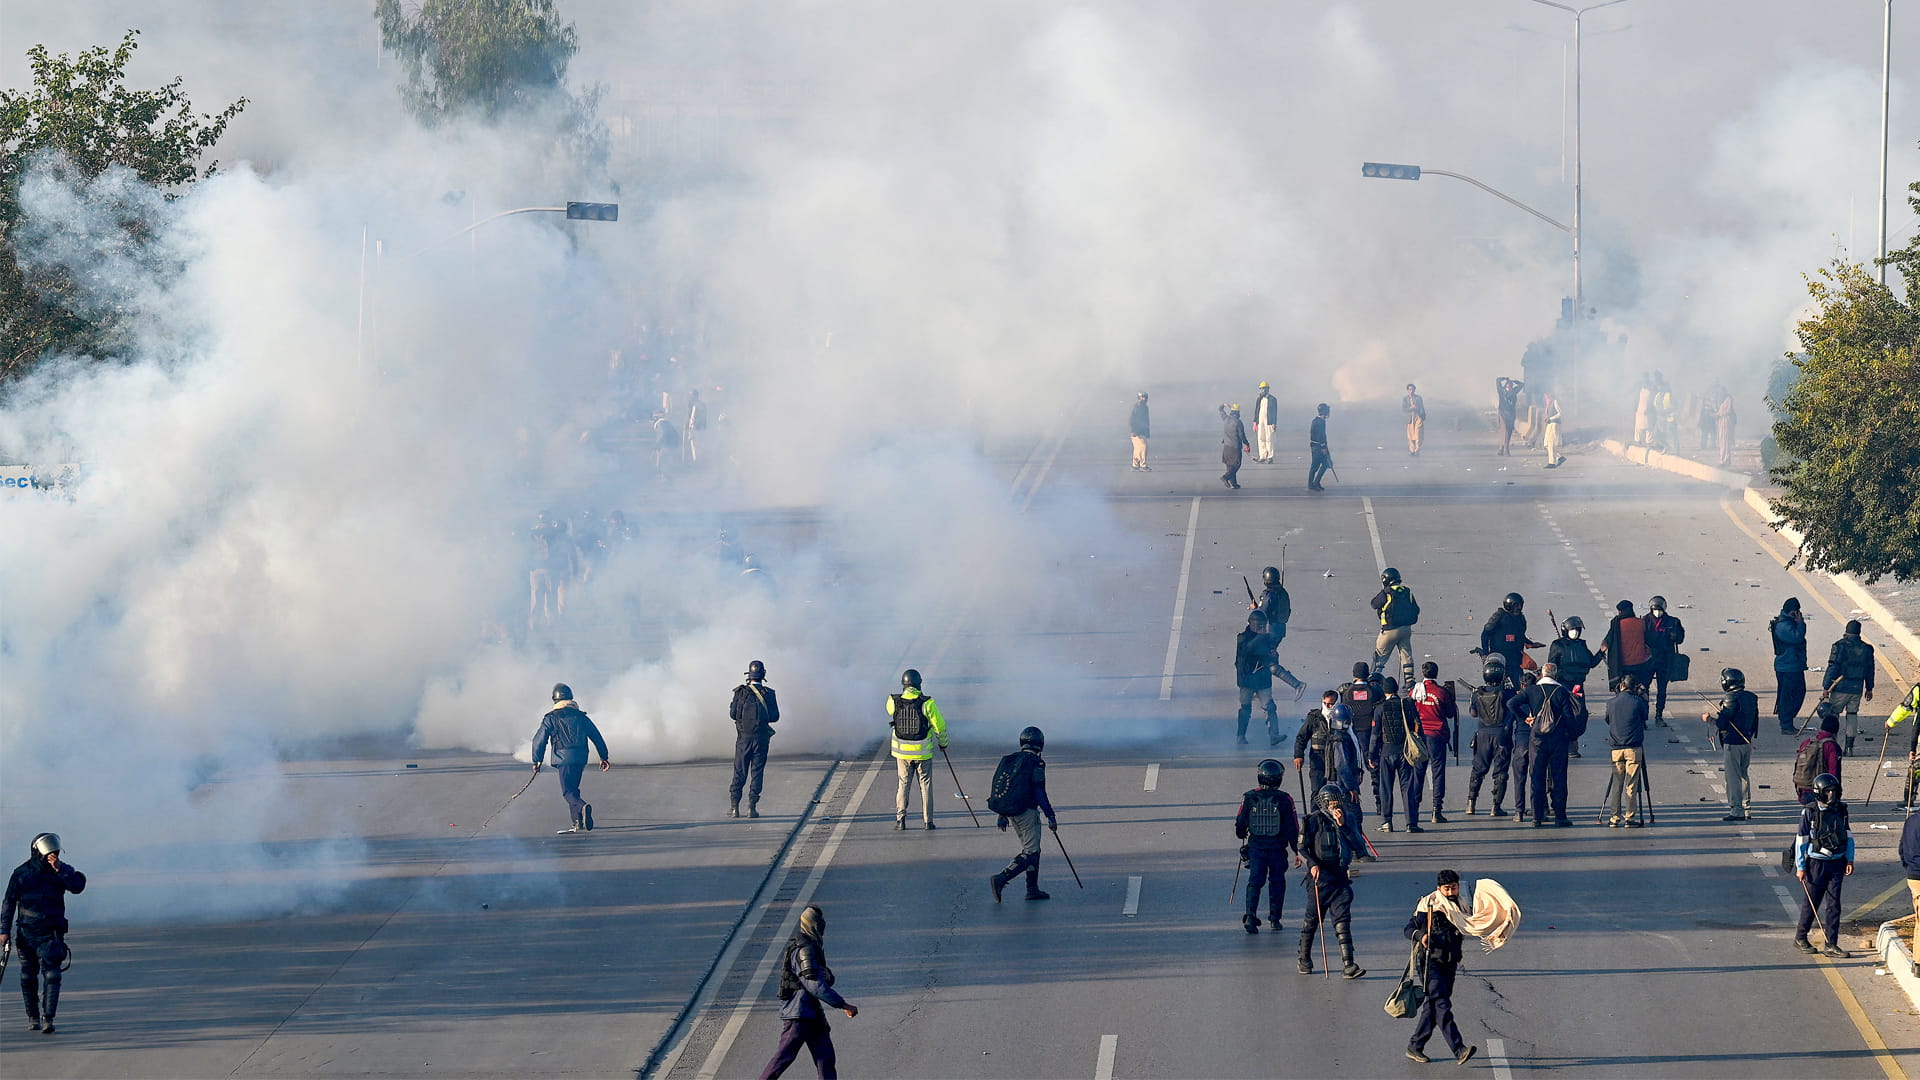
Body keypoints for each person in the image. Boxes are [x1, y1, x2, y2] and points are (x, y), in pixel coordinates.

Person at [759, 905, 857, 1079]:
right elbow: (814, 985)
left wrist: (828, 975)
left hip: (812, 1013)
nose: (823, 929)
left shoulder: (811, 947)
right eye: (820, 924)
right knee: (783, 1057)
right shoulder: (805, 949)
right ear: (814, 925)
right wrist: (842, 1004)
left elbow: (823, 976)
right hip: (798, 1014)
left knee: (825, 1058)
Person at [2, 833, 86, 1034]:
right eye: (48, 851)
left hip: (51, 933)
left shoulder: (61, 871)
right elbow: (9, 902)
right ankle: (32, 1016)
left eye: (54, 851)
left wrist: (60, 869)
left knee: (52, 975)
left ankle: (48, 1018)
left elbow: (77, 886)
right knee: (28, 976)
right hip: (26, 933)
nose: (52, 855)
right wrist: (3, 930)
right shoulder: (21, 873)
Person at [1404, 870, 1479, 1066]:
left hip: (1450, 961)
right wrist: (1421, 936)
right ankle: (1459, 1049)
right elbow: (1409, 929)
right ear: (1439, 889)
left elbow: (1474, 923)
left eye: (1454, 887)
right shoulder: (1429, 905)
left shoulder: (1462, 904)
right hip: (1430, 963)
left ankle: (1415, 1046)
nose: (1451, 892)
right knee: (1442, 1005)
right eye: (1447, 889)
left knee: (1433, 1006)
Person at [1299, 784, 1365, 978]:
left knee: (1342, 921)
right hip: (1319, 881)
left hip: (1340, 878)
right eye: (1331, 803)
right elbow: (1302, 848)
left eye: (1337, 802)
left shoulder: (1348, 818)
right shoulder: (1312, 821)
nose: (1335, 806)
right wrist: (1312, 864)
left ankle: (1349, 964)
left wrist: (1343, 825)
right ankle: (1304, 958)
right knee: (1312, 922)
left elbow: (1359, 846)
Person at [988, 727, 1058, 902]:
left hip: (1012, 811)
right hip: (1026, 812)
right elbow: (1039, 791)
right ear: (1040, 744)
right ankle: (1001, 878)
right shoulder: (1036, 763)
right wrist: (1050, 815)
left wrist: (1002, 814)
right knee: (1031, 852)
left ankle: (1032, 889)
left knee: (1033, 849)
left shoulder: (1010, 760)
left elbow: (1004, 786)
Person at [532, 683, 611, 833]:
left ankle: (582, 806)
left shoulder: (551, 718)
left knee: (568, 792)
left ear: (555, 700)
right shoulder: (581, 717)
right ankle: (577, 821)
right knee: (573, 789)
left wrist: (537, 760)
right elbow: (596, 736)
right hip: (580, 758)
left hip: (563, 759)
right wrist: (604, 756)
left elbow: (539, 740)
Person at [1234, 759, 1301, 934]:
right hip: (1278, 849)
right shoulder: (1285, 799)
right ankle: (1275, 919)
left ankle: (1250, 916)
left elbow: (1240, 824)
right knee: (1277, 882)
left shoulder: (1249, 797)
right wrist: (1297, 851)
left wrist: (1242, 834)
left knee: (1255, 881)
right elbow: (1293, 828)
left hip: (1256, 848)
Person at [1792, 774, 1853, 958]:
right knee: (1812, 902)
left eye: (1834, 791)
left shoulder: (1841, 810)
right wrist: (1800, 867)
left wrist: (1849, 859)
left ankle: (1831, 944)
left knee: (1834, 905)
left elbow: (1848, 836)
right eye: (1828, 792)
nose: (1831, 795)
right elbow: (1801, 840)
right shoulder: (1809, 812)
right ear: (1819, 792)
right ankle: (1800, 937)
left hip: (1837, 862)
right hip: (1816, 864)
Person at [888, 669, 950, 830]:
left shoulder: (893, 701)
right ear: (919, 684)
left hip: (902, 754)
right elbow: (940, 727)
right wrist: (943, 744)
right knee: (926, 786)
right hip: (923, 754)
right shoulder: (927, 703)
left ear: (903, 684)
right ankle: (928, 822)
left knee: (903, 785)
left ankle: (900, 821)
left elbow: (889, 710)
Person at [1702, 667, 1761, 821]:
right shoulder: (1751, 697)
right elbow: (1755, 720)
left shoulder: (1730, 698)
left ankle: (1736, 810)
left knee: (1733, 777)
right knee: (1743, 775)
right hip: (1747, 742)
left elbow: (1722, 723)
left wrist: (1709, 720)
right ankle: (1746, 808)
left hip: (1733, 743)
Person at [1524, 663, 1577, 828]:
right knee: (1558, 777)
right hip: (1557, 739)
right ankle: (1560, 816)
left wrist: (1527, 719)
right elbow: (1569, 717)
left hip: (1537, 740)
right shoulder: (1561, 691)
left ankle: (1537, 817)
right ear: (1555, 674)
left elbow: (1512, 703)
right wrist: (1570, 735)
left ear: (1541, 674)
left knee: (1536, 777)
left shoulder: (1532, 690)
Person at [1370, 677, 1423, 834]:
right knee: (1407, 788)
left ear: (1384, 691)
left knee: (1386, 788)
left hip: (1386, 753)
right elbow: (1418, 724)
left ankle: (1387, 822)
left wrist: (1371, 755)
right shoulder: (1406, 704)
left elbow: (1375, 735)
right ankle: (1411, 823)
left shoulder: (1380, 708)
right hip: (1405, 752)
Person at [730, 660, 781, 819]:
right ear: (763, 675)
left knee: (739, 772)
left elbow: (733, 714)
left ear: (749, 675)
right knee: (757, 773)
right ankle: (751, 808)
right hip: (761, 740)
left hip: (743, 740)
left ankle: (734, 808)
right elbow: (775, 717)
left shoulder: (740, 692)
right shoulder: (769, 693)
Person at [1465, 657, 1515, 818]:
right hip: (1501, 735)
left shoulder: (1477, 693)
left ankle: (1471, 803)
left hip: (1483, 735)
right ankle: (1495, 806)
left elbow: (1473, 713)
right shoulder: (1507, 693)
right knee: (1501, 771)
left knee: (1478, 769)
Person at [1409, 662, 1457, 823]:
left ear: (1423, 673)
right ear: (1436, 673)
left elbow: (1409, 710)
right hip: (1437, 736)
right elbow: (1450, 714)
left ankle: (1414, 808)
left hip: (1420, 736)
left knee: (1418, 772)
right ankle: (1437, 809)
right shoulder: (1441, 692)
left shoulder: (1415, 691)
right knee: (1438, 772)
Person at [1821, 620, 1877, 756]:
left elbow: (1833, 666)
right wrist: (1869, 688)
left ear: (1846, 631)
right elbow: (1870, 670)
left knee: (1833, 715)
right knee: (1852, 715)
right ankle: (1849, 748)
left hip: (1840, 687)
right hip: (1857, 688)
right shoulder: (1867, 649)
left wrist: (1826, 687)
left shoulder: (1840, 646)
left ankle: (1831, 746)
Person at [1250, 569, 1305, 699]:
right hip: (1279, 630)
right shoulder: (1283, 593)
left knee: (1269, 663)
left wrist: (1255, 609)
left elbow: (1262, 614)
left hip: (1269, 632)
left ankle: (1297, 684)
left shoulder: (1268, 595)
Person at [1338, 662, 1387, 801]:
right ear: (1367, 674)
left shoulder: (1346, 692)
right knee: (1374, 768)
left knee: (1350, 768)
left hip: (1350, 734)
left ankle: (1351, 800)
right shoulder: (1375, 690)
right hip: (1370, 734)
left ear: (1354, 675)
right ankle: (1380, 801)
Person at [1604, 679, 1649, 827]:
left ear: (1621, 686)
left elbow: (1608, 720)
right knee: (1631, 784)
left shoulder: (1611, 703)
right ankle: (1629, 817)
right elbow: (1645, 717)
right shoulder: (1638, 702)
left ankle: (1614, 817)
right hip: (1633, 748)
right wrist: (1644, 699)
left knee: (1617, 784)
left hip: (1616, 748)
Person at [1237, 612, 1285, 747]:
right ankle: (1240, 736)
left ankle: (1274, 735)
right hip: (1246, 680)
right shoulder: (1243, 638)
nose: (1263, 628)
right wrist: (1262, 637)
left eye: (1264, 626)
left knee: (1270, 707)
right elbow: (1247, 650)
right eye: (1260, 626)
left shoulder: (1266, 639)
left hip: (1263, 679)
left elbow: (1272, 659)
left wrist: (1274, 655)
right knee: (1245, 709)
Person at [1295, 690, 1357, 793]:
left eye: (1331, 704)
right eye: (1325, 703)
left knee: (1339, 792)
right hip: (1318, 760)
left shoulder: (1342, 717)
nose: (1328, 706)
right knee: (1316, 791)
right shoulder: (1314, 718)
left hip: (1336, 759)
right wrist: (1298, 755)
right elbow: (1301, 737)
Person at [1370, 568, 1420, 691]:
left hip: (1389, 630)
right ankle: (1409, 681)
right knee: (1406, 655)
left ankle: (1373, 680)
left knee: (1380, 657)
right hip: (1406, 629)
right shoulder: (1407, 591)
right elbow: (1416, 609)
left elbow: (1374, 604)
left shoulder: (1386, 593)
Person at [1642, 598, 1685, 727]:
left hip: (1665, 660)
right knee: (1643, 688)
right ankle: (1643, 717)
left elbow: (1680, 639)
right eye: (1655, 610)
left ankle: (1659, 715)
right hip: (1648, 660)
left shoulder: (1673, 622)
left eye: (1659, 610)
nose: (1657, 612)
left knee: (1662, 689)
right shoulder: (1644, 621)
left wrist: (1675, 636)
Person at [1770, 598, 1810, 735]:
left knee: (1798, 693)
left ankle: (1787, 721)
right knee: (1789, 696)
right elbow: (1797, 638)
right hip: (1788, 666)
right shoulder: (1783, 625)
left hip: (1794, 665)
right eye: (1797, 611)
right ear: (1793, 611)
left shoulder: (1788, 623)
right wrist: (1800, 623)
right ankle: (1786, 724)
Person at [1479, 592, 1541, 677]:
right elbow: (1485, 634)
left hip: (1515, 659)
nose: (1519, 608)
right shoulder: (1499, 616)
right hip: (1499, 659)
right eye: (1516, 605)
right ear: (1509, 606)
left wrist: (1530, 644)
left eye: (1520, 605)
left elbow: (1520, 635)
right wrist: (1485, 653)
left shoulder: (1521, 619)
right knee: (1496, 681)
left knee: (1520, 683)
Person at [1506, 670, 1540, 823]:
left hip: (1521, 743)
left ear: (1522, 685)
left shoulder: (1517, 702)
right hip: (1536, 742)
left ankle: (1519, 811)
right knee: (1537, 778)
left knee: (1519, 779)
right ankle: (1537, 810)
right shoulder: (1538, 700)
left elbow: (1508, 723)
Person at [1794, 706, 1843, 805]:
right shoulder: (1831, 746)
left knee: (1808, 813)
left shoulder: (1807, 742)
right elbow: (1834, 771)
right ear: (1835, 731)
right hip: (1822, 792)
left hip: (1803, 789)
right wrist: (1836, 793)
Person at [1603, 600, 1654, 693]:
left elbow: (1606, 643)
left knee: (1623, 690)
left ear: (1620, 611)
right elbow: (1649, 641)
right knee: (1643, 689)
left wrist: (1600, 654)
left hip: (1623, 665)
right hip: (1640, 664)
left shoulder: (1617, 624)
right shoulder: (1641, 623)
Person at [1902, 807, 1920, 972]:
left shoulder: (1911, 821)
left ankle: (1918, 962)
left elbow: (1902, 848)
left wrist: (1908, 866)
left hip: (1913, 875)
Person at [1220, 403, 1250, 490]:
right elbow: (1242, 435)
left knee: (1230, 465)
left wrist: (1223, 405)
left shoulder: (1225, 418)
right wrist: (1247, 444)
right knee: (1237, 464)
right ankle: (1225, 477)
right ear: (1238, 412)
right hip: (1235, 447)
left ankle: (1233, 483)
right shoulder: (1238, 422)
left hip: (1226, 447)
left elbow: (1220, 410)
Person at [1308, 403, 1334, 491]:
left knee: (1323, 464)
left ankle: (1315, 482)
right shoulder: (1319, 422)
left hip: (1318, 446)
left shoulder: (1318, 420)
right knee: (1316, 465)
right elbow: (1320, 435)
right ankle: (1312, 484)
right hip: (1317, 447)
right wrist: (1323, 447)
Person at [1495, 377, 1524, 456]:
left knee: (1509, 431)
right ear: (1505, 386)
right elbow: (1497, 380)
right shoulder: (1501, 391)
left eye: (1510, 386)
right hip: (1502, 413)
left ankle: (1501, 448)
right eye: (1508, 386)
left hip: (1511, 415)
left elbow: (1522, 384)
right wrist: (1504, 378)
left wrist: (1515, 381)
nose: (1509, 388)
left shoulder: (1514, 391)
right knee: (1504, 431)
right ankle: (1506, 449)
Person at [1253, 381, 1278, 463]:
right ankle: (1262, 456)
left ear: (1267, 389)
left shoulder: (1272, 399)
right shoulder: (1259, 399)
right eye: (1260, 389)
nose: (1261, 390)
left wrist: (1274, 423)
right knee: (1261, 438)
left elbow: (1274, 412)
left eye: (1263, 389)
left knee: (1269, 439)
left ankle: (1270, 456)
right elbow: (1256, 411)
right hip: (1260, 422)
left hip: (1269, 422)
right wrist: (1255, 422)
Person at [1129, 392, 1152, 471]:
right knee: (1143, 447)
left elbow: (1146, 421)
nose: (1144, 399)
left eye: (1145, 397)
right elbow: (1132, 420)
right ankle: (1143, 465)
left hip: (1142, 431)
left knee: (1137, 448)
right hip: (1137, 431)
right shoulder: (1137, 407)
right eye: (1142, 397)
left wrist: (1147, 432)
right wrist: (1134, 431)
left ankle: (1135, 465)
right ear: (1138, 398)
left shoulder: (1144, 407)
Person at [1541, 392, 1564, 468]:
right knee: (1547, 444)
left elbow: (1560, 413)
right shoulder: (1548, 404)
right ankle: (1559, 457)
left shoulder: (1555, 402)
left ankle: (1552, 463)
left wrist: (1551, 418)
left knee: (1551, 443)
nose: (1545, 397)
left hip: (1555, 424)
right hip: (1550, 424)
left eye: (1546, 395)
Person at [1714, 388, 1736, 468]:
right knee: (1722, 442)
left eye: (1720, 392)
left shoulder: (1728, 399)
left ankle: (1724, 461)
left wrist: (1718, 414)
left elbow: (1728, 411)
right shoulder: (1722, 400)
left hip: (1726, 423)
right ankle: (1724, 460)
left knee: (1725, 442)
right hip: (1721, 423)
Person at [1403, 383, 1426, 456]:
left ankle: (1417, 450)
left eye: (1412, 389)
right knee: (1410, 436)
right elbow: (1404, 409)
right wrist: (1411, 408)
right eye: (1410, 389)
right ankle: (1412, 450)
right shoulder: (1405, 399)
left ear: (1414, 390)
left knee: (1418, 434)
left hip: (1418, 417)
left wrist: (1421, 415)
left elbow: (1421, 407)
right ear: (1407, 390)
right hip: (1409, 418)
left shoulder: (1418, 398)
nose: (1411, 391)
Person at [1633, 373, 1654, 447]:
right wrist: (1635, 407)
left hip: (1647, 410)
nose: (1644, 380)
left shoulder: (1651, 388)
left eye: (1645, 378)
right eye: (1643, 378)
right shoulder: (1639, 388)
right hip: (1639, 410)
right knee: (1638, 427)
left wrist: (1649, 408)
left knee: (1648, 427)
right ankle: (1637, 442)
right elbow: (1636, 399)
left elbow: (1652, 400)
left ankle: (1649, 443)